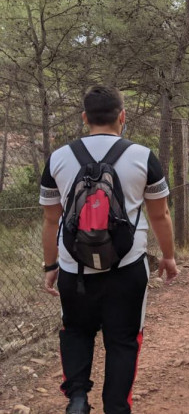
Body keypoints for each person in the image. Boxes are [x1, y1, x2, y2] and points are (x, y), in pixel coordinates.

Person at [40, 85, 178, 414]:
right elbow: (161, 214)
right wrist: (169, 257)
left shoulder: (58, 158)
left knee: (75, 331)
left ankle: (76, 398)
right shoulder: (143, 156)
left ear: (85, 117)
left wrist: (50, 266)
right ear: (122, 116)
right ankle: (117, 406)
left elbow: (49, 221)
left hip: (74, 270)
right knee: (124, 339)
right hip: (127, 268)